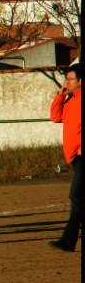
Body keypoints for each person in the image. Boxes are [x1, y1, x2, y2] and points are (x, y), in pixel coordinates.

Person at [48, 63, 81, 252]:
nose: (67, 82)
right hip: (75, 156)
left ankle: (68, 241)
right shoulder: (70, 100)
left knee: (76, 196)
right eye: (66, 78)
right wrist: (60, 95)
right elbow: (55, 117)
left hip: (81, 155)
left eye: (71, 79)